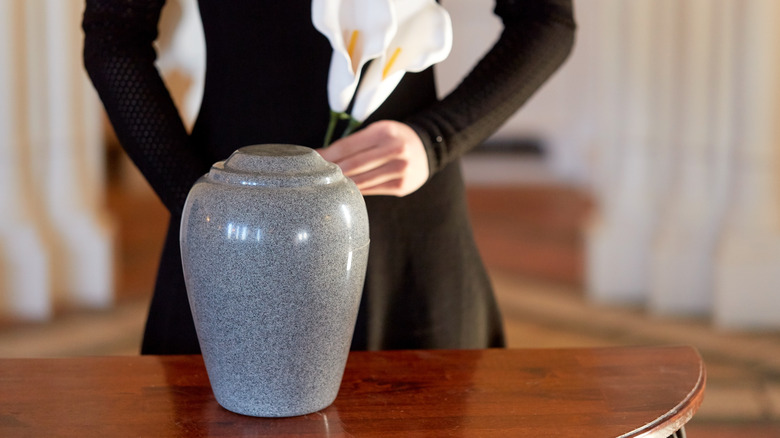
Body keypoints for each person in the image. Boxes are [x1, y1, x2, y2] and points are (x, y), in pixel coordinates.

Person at [82, 0, 576, 354]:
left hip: (403, 228)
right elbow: (113, 32)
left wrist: (438, 138)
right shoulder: (219, 215)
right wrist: (200, 203)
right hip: (231, 224)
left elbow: (545, 17)